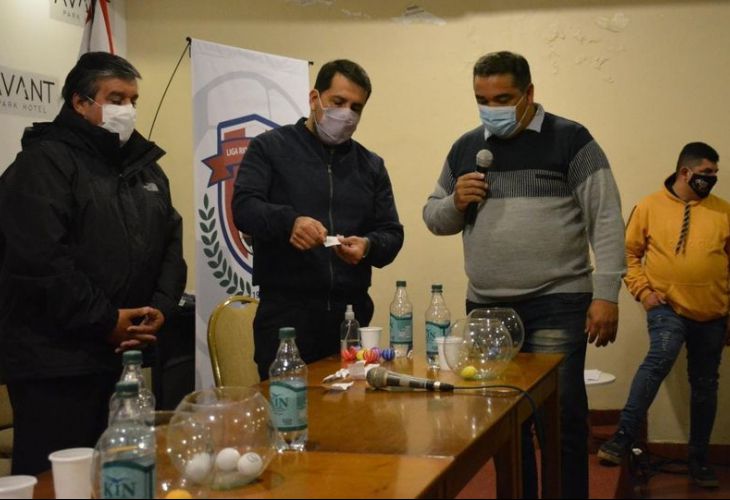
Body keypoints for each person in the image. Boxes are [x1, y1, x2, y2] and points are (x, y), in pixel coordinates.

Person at [422, 51, 626, 498]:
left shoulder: (572, 140)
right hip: (486, 306)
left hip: (558, 300)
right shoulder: (466, 148)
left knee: (561, 418)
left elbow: (607, 219)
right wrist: (455, 201)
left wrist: (606, 294)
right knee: (503, 423)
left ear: (529, 93)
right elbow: (434, 218)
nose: (491, 108)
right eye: (482, 99)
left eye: (503, 98)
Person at [0, 52, 187, 475]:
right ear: (80, 103)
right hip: (56, 365)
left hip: (125, 357)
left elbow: (171, 246)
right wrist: (105, 320)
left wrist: (159, 309)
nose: (128, 110)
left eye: (133, 100)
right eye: (116, 99)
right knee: (61, 483)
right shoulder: (41, 164)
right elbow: (41, 261)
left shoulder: (146, 170)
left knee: (123, 475)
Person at [232, 59, 404, 380]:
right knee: (287, 407)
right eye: (338, 102)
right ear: (315, 99)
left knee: (353, 408)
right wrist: (289, 222)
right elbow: (244, 207)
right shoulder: (270, 147)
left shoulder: (371, 165)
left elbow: (392, 234)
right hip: (285, 318)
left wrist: (368, 245)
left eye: (356, 107)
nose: (346, 114)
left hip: (350, 318)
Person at [598, 142, 729, 488]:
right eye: (707, 173)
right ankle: (622, 437)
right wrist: (644, 292)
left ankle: (699, 461)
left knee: (705, 385)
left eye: (715, 173)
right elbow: (628, 254)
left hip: (713, 312)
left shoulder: (724, 212)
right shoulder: (649, 207)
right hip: (666, 307)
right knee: (660, 358)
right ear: (685, 172)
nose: (712, 178)